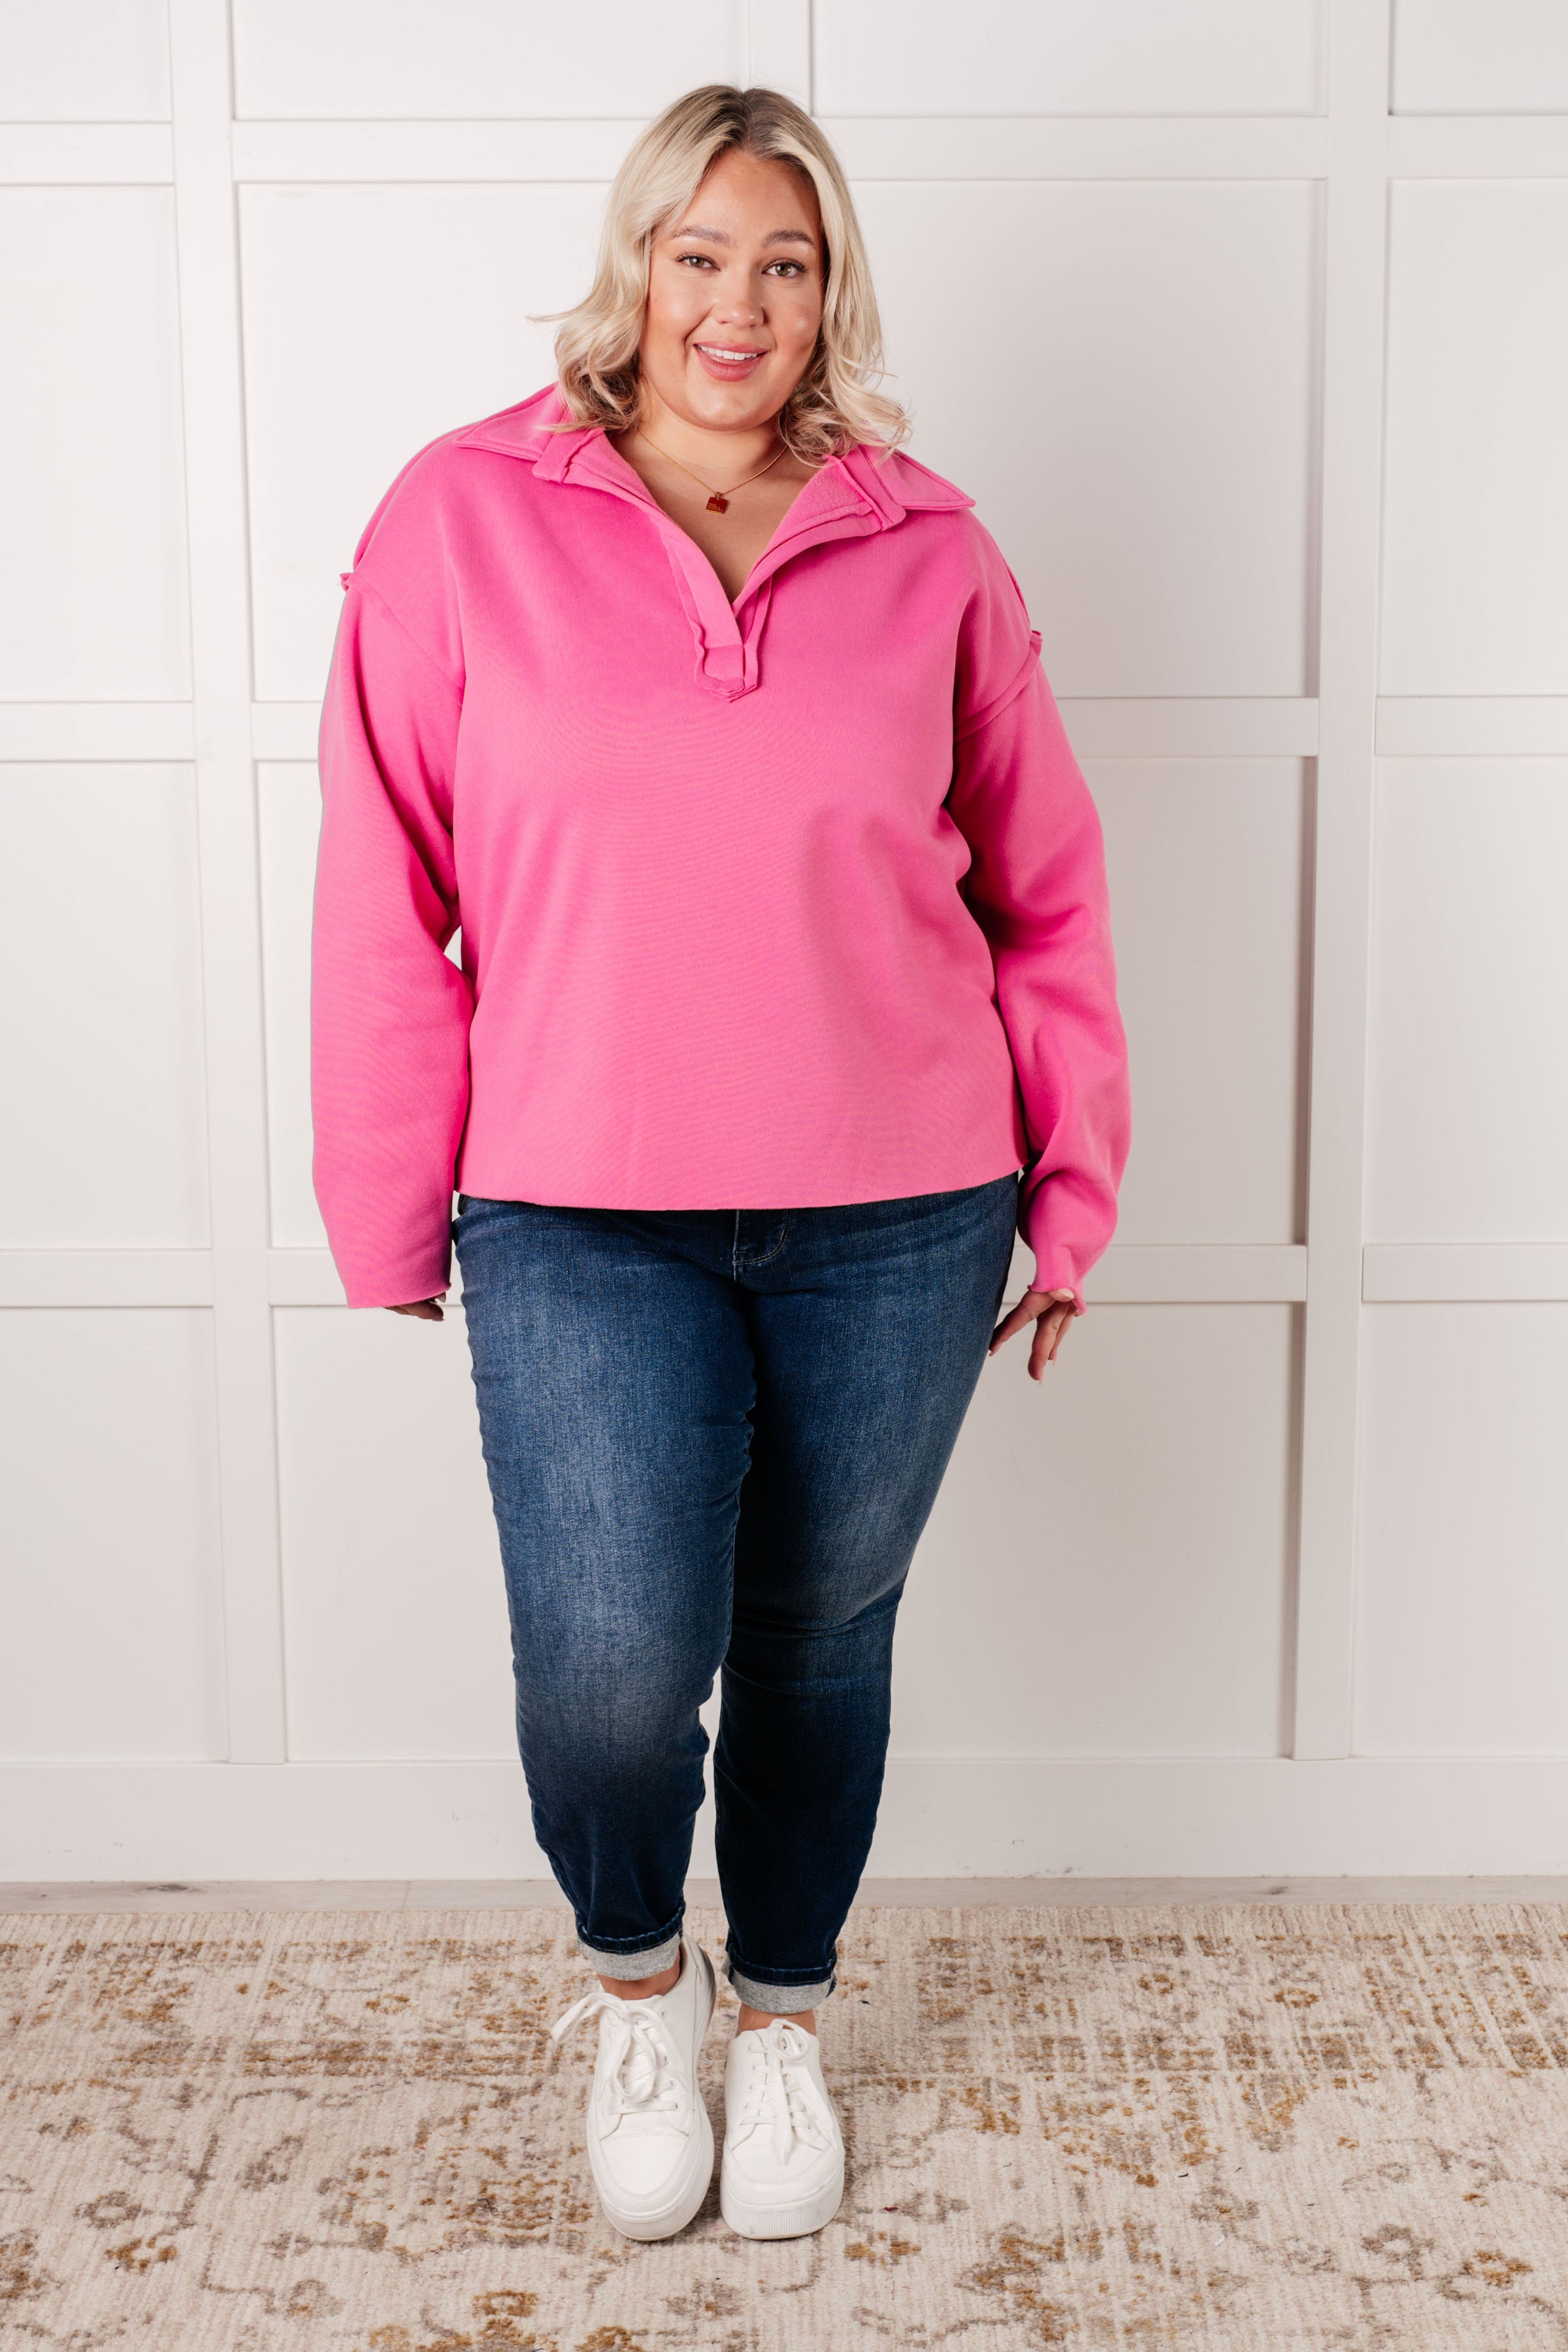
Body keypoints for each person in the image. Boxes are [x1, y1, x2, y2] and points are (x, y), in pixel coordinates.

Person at [310, 83, 1131, 2246]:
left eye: (787, 261)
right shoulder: (460, 519)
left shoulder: (929, 547)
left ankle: (779, 2018)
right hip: (578, 1207)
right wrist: (387, 1194)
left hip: (905, 1206)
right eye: (702, 256)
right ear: (638, 263)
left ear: (830, 286)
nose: (739, 305)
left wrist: (1072, 1185)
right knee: (606, 1672)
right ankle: (637, 1988)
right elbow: (384, 881)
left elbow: (1045, 888)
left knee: (817, 1642)